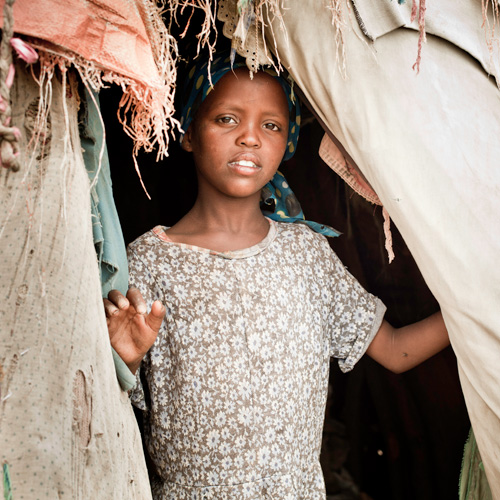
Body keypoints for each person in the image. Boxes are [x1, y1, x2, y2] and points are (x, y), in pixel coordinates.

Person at [104, 54, 449, 499]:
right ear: (189, 130)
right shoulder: (148, 261)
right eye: (227, 119)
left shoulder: (306, 254)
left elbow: (396, 351)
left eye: (271, 125)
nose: (249, 138)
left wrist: (479, 308)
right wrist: (124, 359)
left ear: (287, 142)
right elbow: (113, 400)